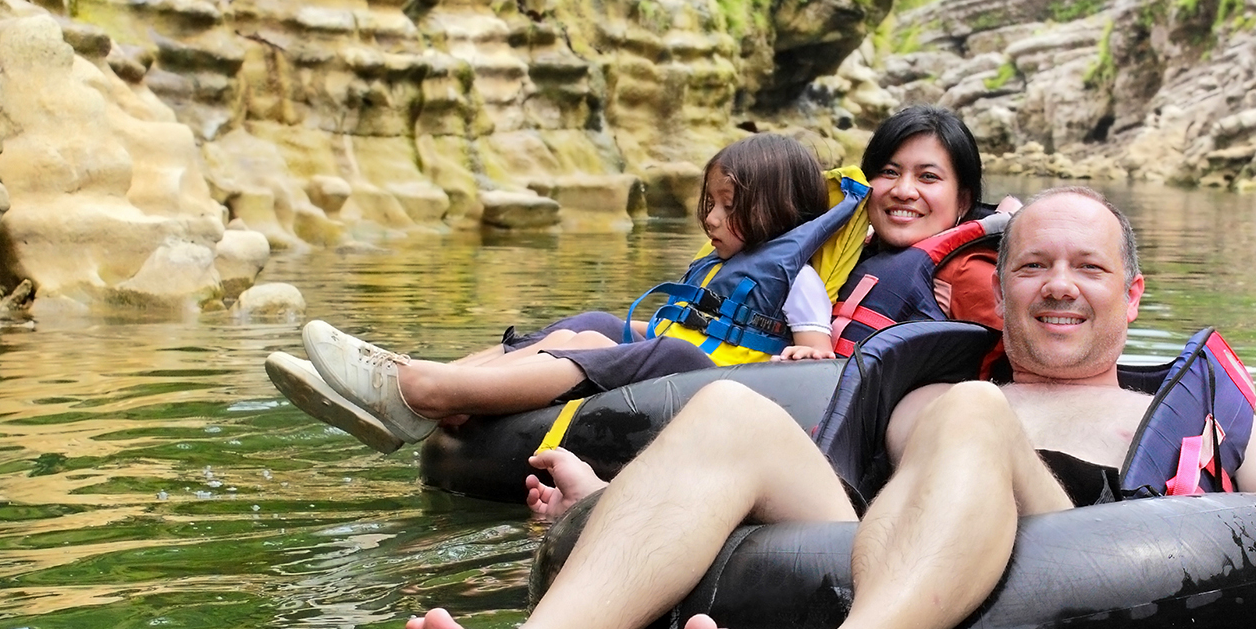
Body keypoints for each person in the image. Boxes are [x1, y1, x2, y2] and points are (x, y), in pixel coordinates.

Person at [387, 186, 1256, 629]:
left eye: (1085, 268)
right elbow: (809, 504)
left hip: (1092, 549)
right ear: (998, 287)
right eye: (1032, 267)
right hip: (889, 526)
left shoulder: (1193, 416)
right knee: (735, 411)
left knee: (971, 422)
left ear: (1131, 297)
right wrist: (596, 508)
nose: (1057, 285)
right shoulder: (936, 381)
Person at [267, 133, 856, 453]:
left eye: (732, 208)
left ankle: (419, 390)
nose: (712, 219)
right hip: (685, 359)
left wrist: (809, 348)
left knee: (667, 351)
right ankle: (422, 383)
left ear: (778, 210)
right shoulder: (723, 262)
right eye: (711, 203)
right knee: (590, 326)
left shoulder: (795, 276)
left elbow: (814, 347)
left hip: (716, 383)